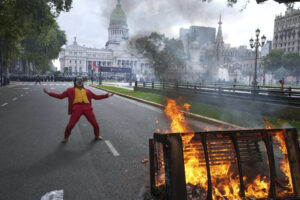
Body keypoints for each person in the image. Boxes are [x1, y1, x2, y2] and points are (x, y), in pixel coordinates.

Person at [43, 76, 113, 143]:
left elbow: (96, 97)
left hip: (87, 108)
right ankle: (66, 137)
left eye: (80, 81)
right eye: (78, 80)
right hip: (77, 108)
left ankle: (97, 135)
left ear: (82, 82)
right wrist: (49, 93)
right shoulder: (70, 90)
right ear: (75, 82)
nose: (79, 82)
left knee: (95, 124)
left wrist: (107, 95)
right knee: (70, 125)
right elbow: (60, 96)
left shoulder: (88, 91)